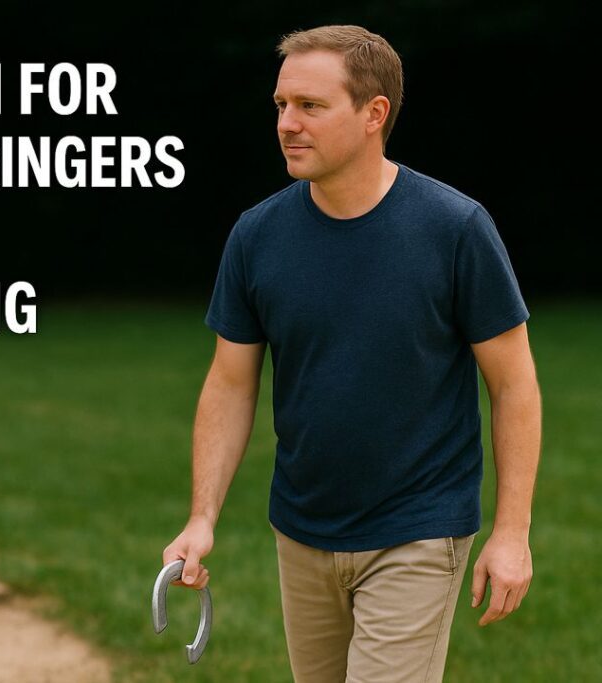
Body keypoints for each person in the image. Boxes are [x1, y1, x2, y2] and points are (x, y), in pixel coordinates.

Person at [161, 24, 541, 682]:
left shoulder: (455, 229)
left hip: (418, 527)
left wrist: (510, 533)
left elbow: (514, 386)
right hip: (302, 528)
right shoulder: (257, 236)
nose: (287, 123)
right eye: (281, 105)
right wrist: (202, 516)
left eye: (310, 106)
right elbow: (230, 384)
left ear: (374, 114)